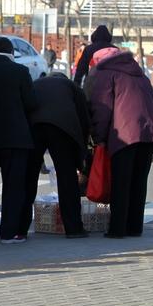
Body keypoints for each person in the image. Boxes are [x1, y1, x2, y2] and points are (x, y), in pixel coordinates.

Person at [89, 51, 153, 238]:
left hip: (124, 136)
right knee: (139, 182)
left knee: (121, 183)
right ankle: (135, 227)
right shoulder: (141, 76)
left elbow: (102, 108)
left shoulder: (107, 74)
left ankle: (117, 229)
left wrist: (99, 137)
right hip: (147, 134)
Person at [0, 37, 38, 244]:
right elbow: (31, 103)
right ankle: (9, 233)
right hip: (16, 138)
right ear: (11, 52)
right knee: (14, 187)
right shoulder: (20, 72)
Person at [20, 73, 91, 238]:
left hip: (34, 126)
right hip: (62, 128)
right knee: (67, 177)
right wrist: (82, 154)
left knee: (29, 177)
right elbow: (84, 119)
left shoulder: (36, 83)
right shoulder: (72, 87)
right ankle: (74, 228)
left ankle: (20, 229)